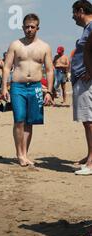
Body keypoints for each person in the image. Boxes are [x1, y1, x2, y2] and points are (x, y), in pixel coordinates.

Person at [2, 13, 54, 167]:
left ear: (38, 28)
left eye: (32, 27)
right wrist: (4, 87)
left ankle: (25, 154)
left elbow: (50, 70)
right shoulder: (15, 45)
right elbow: (6, 67)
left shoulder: (44, 47)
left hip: (36, 87)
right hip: (18, 86)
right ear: (22, 27)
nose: (29, 30)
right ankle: (19, 154)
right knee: (19, 120)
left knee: (30, 122)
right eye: (27, 27)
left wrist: (49, 91)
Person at [71, 0, 92, 175]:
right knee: (87, 121)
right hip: (82, 79)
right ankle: (90, 155)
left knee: (89, 121)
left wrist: (91, 72)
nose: (72, 17)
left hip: (87, 80)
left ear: (80, 11)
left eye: (74, 13)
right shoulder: (87, 29)